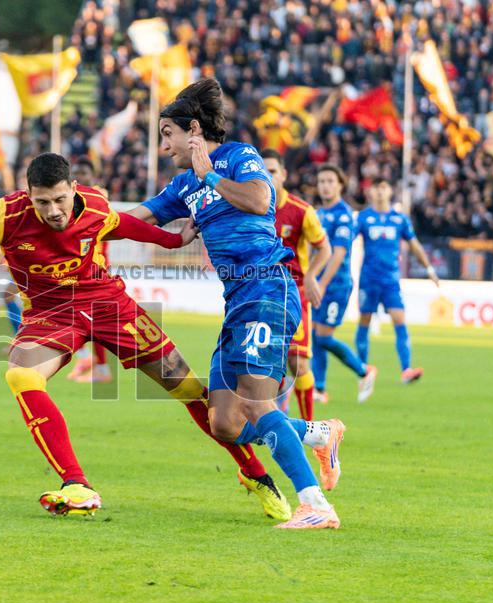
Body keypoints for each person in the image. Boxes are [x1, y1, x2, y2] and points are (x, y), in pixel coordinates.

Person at [0, 152, 295, 521]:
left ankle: (255, 474)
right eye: (43, 202)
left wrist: (173, 241)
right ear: (29, 196)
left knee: (188, 388)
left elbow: (126, 225)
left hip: (108, 304)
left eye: (60, 199)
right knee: (21, 374)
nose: (54, 210)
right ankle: (76, 484)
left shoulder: (93, 206)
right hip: (51, 312)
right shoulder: (5, 214)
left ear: (74, 188)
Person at [127, 79, 346, 529]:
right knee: (224, 421)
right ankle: (316, 433)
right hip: (237, 303)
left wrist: (211, 176)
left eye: (167, 135)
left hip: (268, 288)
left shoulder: (238, 157)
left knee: (259, 405)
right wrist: (78, 221)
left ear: (192, 130)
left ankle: (316, 506)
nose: (163, 146)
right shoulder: (183, 185)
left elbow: (260, 199)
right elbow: (137, 217)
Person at [260, 149, 331, 420]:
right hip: (260, 296)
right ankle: (273, 416)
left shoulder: (302, 211)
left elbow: (324, 248)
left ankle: (311, 428)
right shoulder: (249, 210)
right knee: (265, 363)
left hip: (294, 294)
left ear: (284, 175)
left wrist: (312, 276)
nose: (267, 176)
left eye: (273, 171)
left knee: (298, 362)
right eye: (262, 170)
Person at [354, 178, 439, 382]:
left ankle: (406, 369)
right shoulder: (364, 218)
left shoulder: (400, 219)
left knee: (399, 319)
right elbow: (347, 242)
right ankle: (362, 369)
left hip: (391, 280)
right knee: (364, 321)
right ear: (371, 192)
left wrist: (429, 268)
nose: (380, 192)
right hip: (369, 279)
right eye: (377, 188)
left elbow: (415, 245)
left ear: (390, 191)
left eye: (384, 187)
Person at [313, 164, 377, 404]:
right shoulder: (318, 214)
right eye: (321, 181)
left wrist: (322, 283)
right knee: (315, 335)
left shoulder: (343, 214)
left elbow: (338, 253)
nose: (325, 186)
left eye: (330, 181)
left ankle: (364, 370)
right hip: (318, 283)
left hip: (336, 285)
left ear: (340, 184)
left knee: (324, 337)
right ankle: (319, 388)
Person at [66, 158, 112, 383]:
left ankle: (100, 368)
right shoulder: (74, 199)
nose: (80, 178)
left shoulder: (96, 195)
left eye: (85, 173)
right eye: (77, 174)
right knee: (76, 316)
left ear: (93, 176)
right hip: (80, 267)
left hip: (96, 267)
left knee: (92, 320)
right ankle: (87, 360)